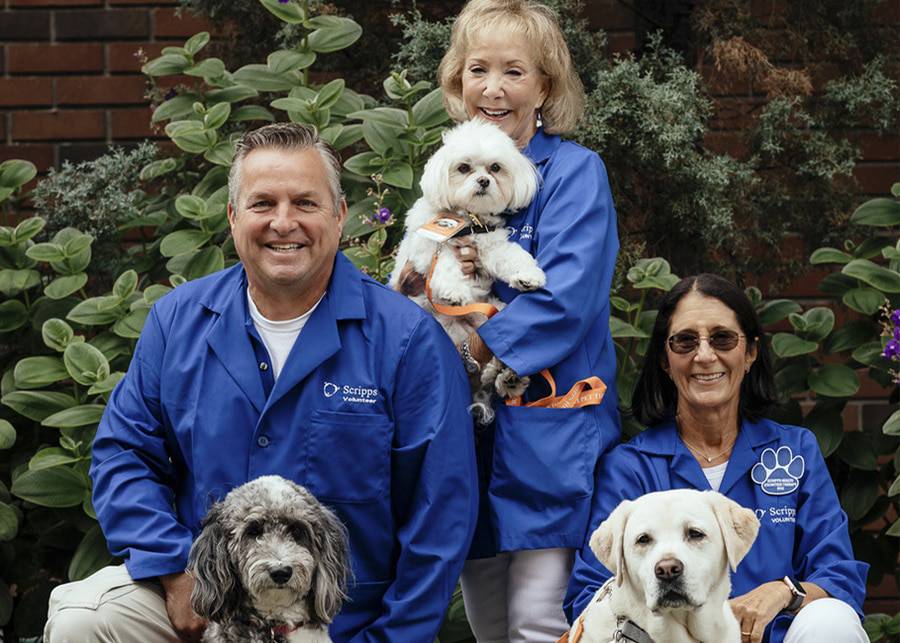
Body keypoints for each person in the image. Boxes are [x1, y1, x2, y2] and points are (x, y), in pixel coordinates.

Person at [43, 122, 479, 643]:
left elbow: (441, 514)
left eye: (305, 203)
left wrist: (390, 638)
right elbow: (122, 455)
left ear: (340, 216)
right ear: (232, 217)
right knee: (81, 622)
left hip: (338, 618)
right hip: (204, 600)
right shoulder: (178, 322)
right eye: (262, 203)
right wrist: (175, 570)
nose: (283, 222)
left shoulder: (409, 342)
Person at [395, 1, 621, 640]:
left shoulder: (575, 174)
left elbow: (566, 302)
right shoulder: (443, 189)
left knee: (537, 622)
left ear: (544, 86)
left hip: (549, 426)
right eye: (477, 69)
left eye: (514, 71)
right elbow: (412, 287)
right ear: (456, 83)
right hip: (465, 437)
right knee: (490, 624)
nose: (493, 88)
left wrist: (466, 350)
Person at [565, 274, 869, 643]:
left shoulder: (794, 451)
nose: (704, 355)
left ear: (751, 351)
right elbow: (591, 592)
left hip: (778, 635)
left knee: (831, 619)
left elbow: (838, 575)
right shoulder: (630, 467)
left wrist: (784, 592)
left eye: (722, 338)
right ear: (665, 358)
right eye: (685, 341)